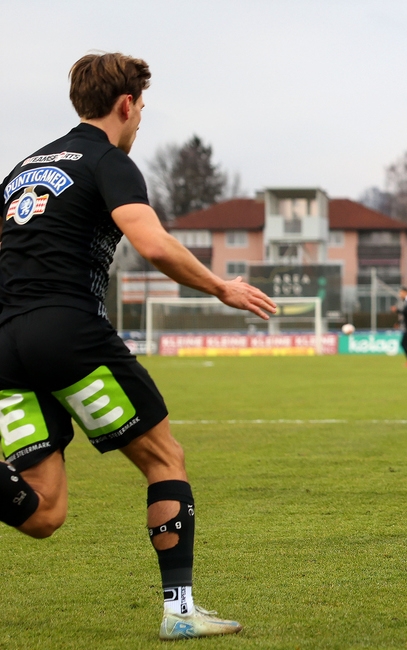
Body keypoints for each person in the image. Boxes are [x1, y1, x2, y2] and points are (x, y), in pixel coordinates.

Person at [0, 53, 277, 639]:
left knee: (44, 511)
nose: (141, 118)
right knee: (164, 460)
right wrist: (221, 286)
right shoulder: (107, 161)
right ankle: (179, 613)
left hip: (5, 341)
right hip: (67, 331)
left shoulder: (22, 170)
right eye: (142, 108)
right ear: (126, 105)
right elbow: (152, 244)